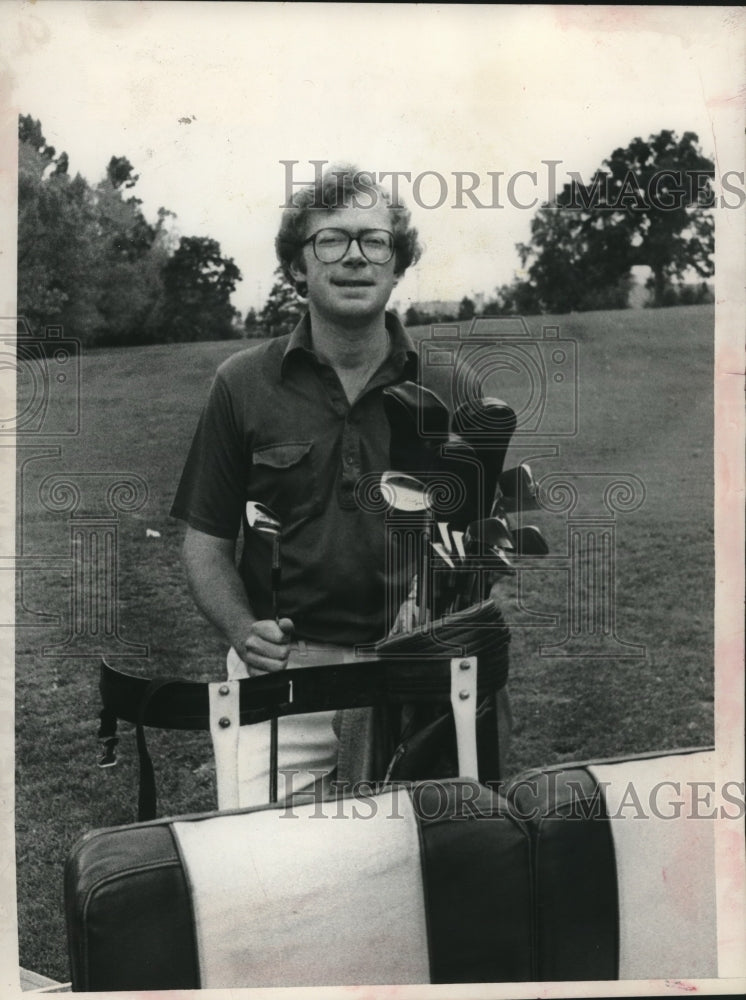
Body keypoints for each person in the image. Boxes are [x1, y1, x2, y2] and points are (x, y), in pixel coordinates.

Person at [170, 165, 425, 804]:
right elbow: (204, 545)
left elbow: (481, 538)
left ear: (397, 267)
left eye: (375, 242)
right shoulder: (241, 384)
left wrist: (439, 602)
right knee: (268, 878)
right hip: (280, 674)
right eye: (330, 241)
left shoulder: (448, 384)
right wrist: (239, 627)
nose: (355, 258)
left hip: (407, 670)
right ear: (297, 267)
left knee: (411, 874)